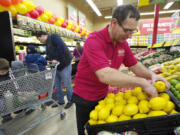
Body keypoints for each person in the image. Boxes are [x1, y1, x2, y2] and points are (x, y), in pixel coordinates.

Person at [72, 4, 170, 135]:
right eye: (127, 30)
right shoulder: (94, 40)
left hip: (104, 95)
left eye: (132, 31)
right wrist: (142, 82)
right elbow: (104, 74)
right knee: (87, 131)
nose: (130, 36)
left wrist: (152, 75)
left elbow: (134, 65)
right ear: (114, 22)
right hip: (85, 97)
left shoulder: (122, 43)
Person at [36, 32, 73, 109]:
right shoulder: (47, 43)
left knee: (67, 84)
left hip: (64, 64)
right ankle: (60, 101)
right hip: (55, 67)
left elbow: (61, 47)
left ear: (43, 35)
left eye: (40, 39)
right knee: (57, 85)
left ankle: (70, 101)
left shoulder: (54, 37)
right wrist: (46, 59)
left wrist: (56, 59)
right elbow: (49, 54)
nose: (40, 41)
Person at [0, 58, 13, 123]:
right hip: (1, 94)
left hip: (6, 92)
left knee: (8, 103)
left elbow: (10, 83)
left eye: (6, 71)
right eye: (2, 72)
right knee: (2, 104)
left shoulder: (7, 74)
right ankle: (5, 117)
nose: (5, 73)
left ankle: (9, 115)